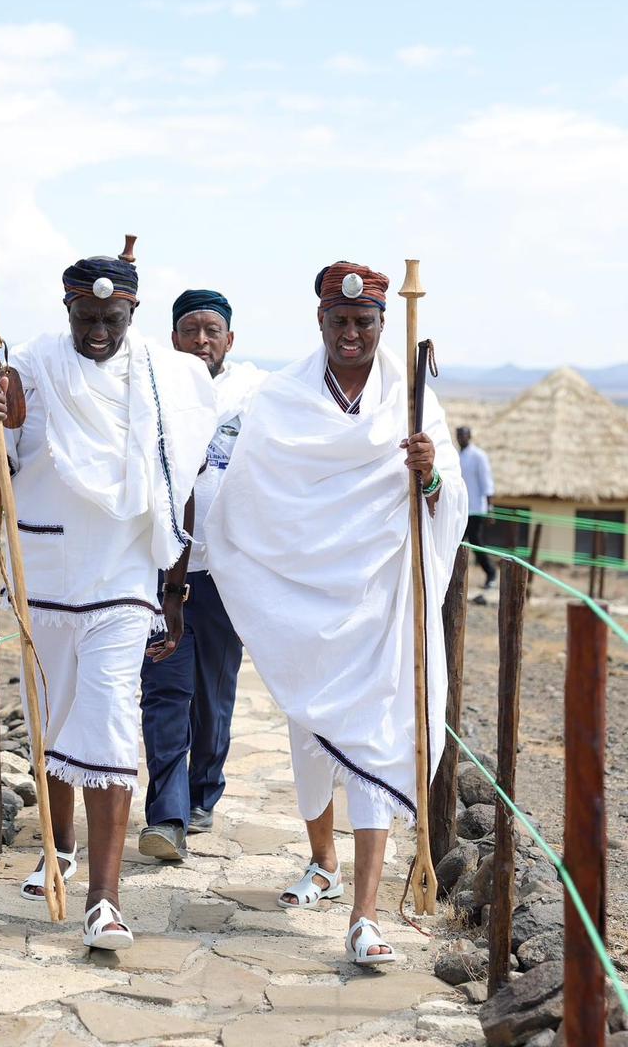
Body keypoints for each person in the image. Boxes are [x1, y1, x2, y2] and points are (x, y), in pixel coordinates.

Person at [205, 261, 467, 966]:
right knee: (312, 739)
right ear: (319, 322)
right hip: (305, 604)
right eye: (339, 321)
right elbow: (249, 494)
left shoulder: (412, 403)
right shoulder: (284, 398)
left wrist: (431, 474)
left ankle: (365, 915)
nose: (351, 333)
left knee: (380, 740)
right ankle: (322, 858)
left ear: (383, 325)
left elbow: (452, 500)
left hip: (381, 602)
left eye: (365, 322)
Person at [0, 243, 215, 950]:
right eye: (86, 316)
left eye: (111, 317)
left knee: (107, 721)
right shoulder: (28, 373)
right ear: (67, 307)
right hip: (45, 581)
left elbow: (180, 481)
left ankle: (105, 901)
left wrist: (173, 588)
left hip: (121, 582)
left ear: (131, 310)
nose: (98, 330)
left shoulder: (165, 380)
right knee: (55, 724)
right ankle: (59, 849)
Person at [138, 289, 266, 860]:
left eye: (212, 330)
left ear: (229, 340)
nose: (201, 340)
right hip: (160, 567)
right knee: (165, 690)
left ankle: (202, 791)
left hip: (224, 572)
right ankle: (165, 816)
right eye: (190, 329)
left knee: (213, 695)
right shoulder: (152, 392)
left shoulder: (253, 399)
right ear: (174, 339)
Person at [456, 426, 497, 588]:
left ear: (469, 436)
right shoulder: (456, 456)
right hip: (460, 509)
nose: (460, 437)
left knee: (476, 543)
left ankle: (491, 573)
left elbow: (487, 482)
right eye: (458, 435)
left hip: (476, 509)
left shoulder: (479, 456)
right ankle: (456, 579)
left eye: (463, 435)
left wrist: (490, 508)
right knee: (456, 543)